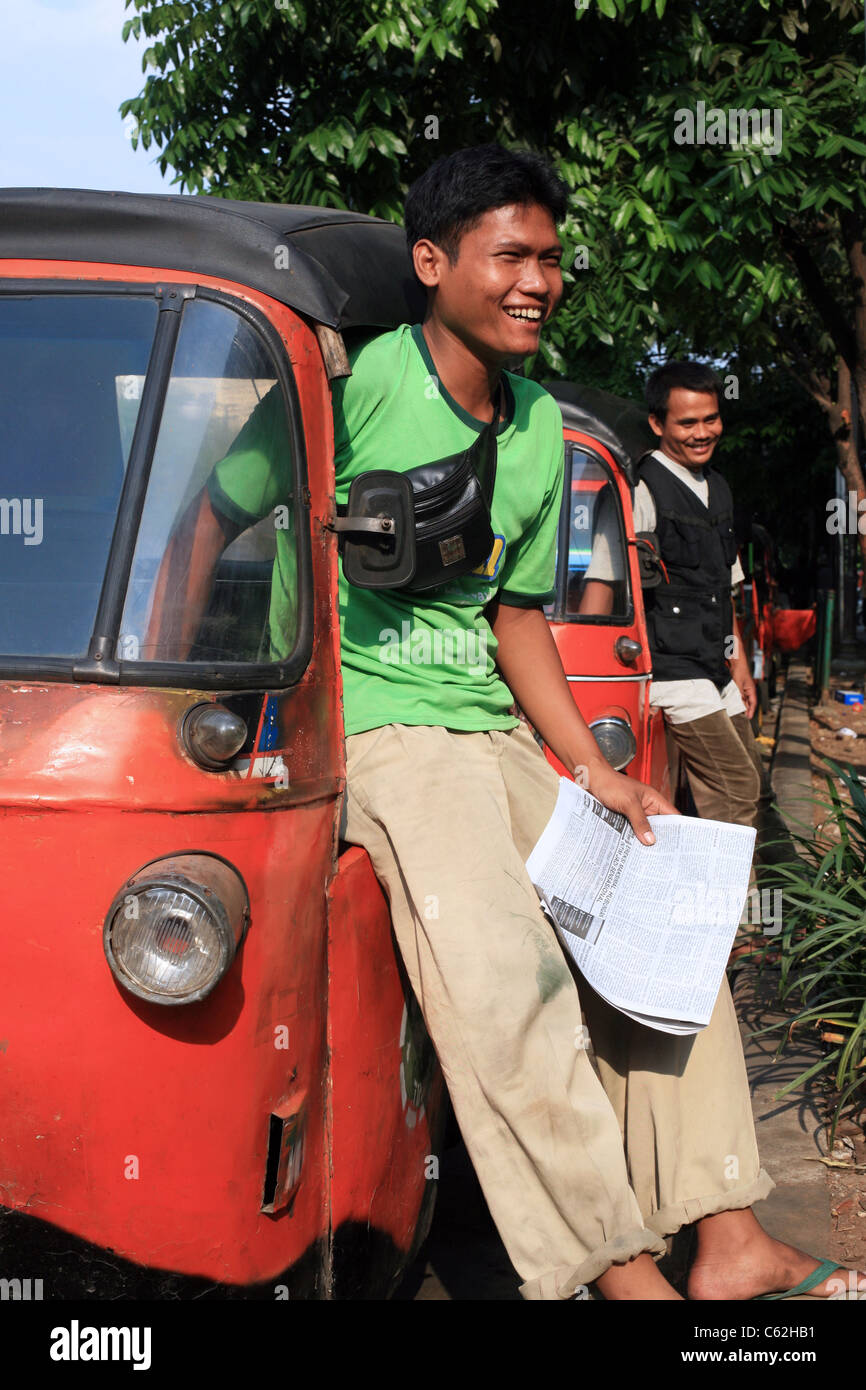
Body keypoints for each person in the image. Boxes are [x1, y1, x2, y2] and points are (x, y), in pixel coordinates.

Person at [145, 145, 863, 1301]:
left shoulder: (537, 427)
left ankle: (726, 1233)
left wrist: (595, 772)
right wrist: (179, 692)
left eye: (550, 257)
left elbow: (517, 621)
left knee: (661, 927)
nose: (537, 279)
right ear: (432, 264)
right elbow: (205, 523)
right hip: (381, 736)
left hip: (493, 733)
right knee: (502, 977)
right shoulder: (362, 383)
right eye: (509, 255)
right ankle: (615, 1265)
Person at [581, 362, 791, 865]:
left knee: (754, 787)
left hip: (714, 665)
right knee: (735, 789)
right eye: (688, 423)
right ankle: (727, 930)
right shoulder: (643, 489)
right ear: (659, 424)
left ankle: (734, 916)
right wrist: (588, 679)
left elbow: (725, 585)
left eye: (710, 419)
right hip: (674, 671)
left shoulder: (718, 486)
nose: (702, 433)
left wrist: (739, 665)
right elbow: (603, 580)